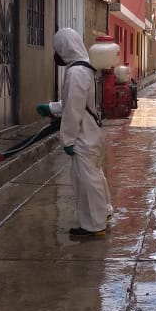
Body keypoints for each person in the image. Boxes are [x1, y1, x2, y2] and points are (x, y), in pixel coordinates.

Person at [51, 28, 111, 237]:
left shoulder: (76, 72)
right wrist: (51, 108)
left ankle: (94, 226)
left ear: (64, 48)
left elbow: (73, 110)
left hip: (84, 135)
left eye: (58, 49)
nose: (57, 54)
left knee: (86, 182)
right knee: (95, 176)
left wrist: (67, 139)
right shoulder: (86, 67)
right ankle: (104, 213)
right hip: (93, 132)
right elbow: (76, 103)